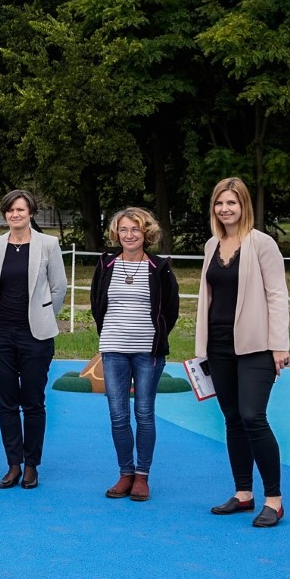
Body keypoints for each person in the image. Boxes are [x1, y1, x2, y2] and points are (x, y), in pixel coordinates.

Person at [196, 177, 290, 527]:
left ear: (244, 206)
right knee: (233, 419)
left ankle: (274, 499)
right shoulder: (211, 245)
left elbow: (278, 294)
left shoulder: (261, 244)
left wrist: (280, 344)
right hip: (218, 346)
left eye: (231, 203)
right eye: (220, 203)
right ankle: (243, 493)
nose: (225, 209)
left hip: (256, 346)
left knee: (253, 417)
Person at [89, 207, 180, 503]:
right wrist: (109, 335)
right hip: (113, 350)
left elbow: (171, 308)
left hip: (147, 352)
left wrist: (156, 337)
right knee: (117, 415)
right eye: (124, 230)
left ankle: (142, 476)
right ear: (117, 233)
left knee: (144, 413)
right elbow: (97, 304)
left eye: (136, 230)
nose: (129, 235)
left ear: (146, 234)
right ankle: (125, 473)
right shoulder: (106, 265)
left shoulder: (159, 267)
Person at [0, 189, 67, 490]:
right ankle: (13, 464)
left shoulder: (48, 244)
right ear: (5, 214)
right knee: (6, 402)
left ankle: (32, 465)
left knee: (33, 402)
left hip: (36, 336)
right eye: (10, 210)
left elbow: (59, 288)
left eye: (21, 210)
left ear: (31, 212)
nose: (15, 215)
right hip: (0, 335)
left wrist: (41, 316)